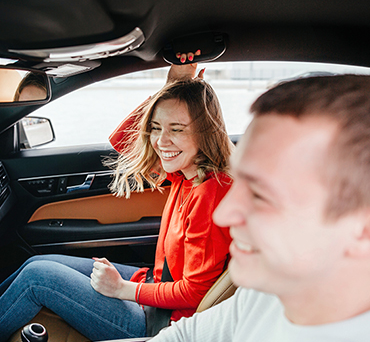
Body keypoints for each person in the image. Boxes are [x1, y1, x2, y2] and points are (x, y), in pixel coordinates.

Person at [0, 60, 233, 341]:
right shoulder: (185, 174)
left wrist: (122, 289)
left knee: (38, 277)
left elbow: (195, 292)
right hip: (154, 286)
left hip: (161, 322)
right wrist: (170, 86)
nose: (161, 141)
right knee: (38, 262)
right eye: (156, 127)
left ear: (205, 132)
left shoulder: (209, 194)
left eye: (177, 129)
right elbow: (123, 142)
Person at [150, 74, 370, 342]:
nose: (224, 214)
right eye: (240, 179)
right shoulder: (265, 293)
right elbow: (183, 336)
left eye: (260, 194)